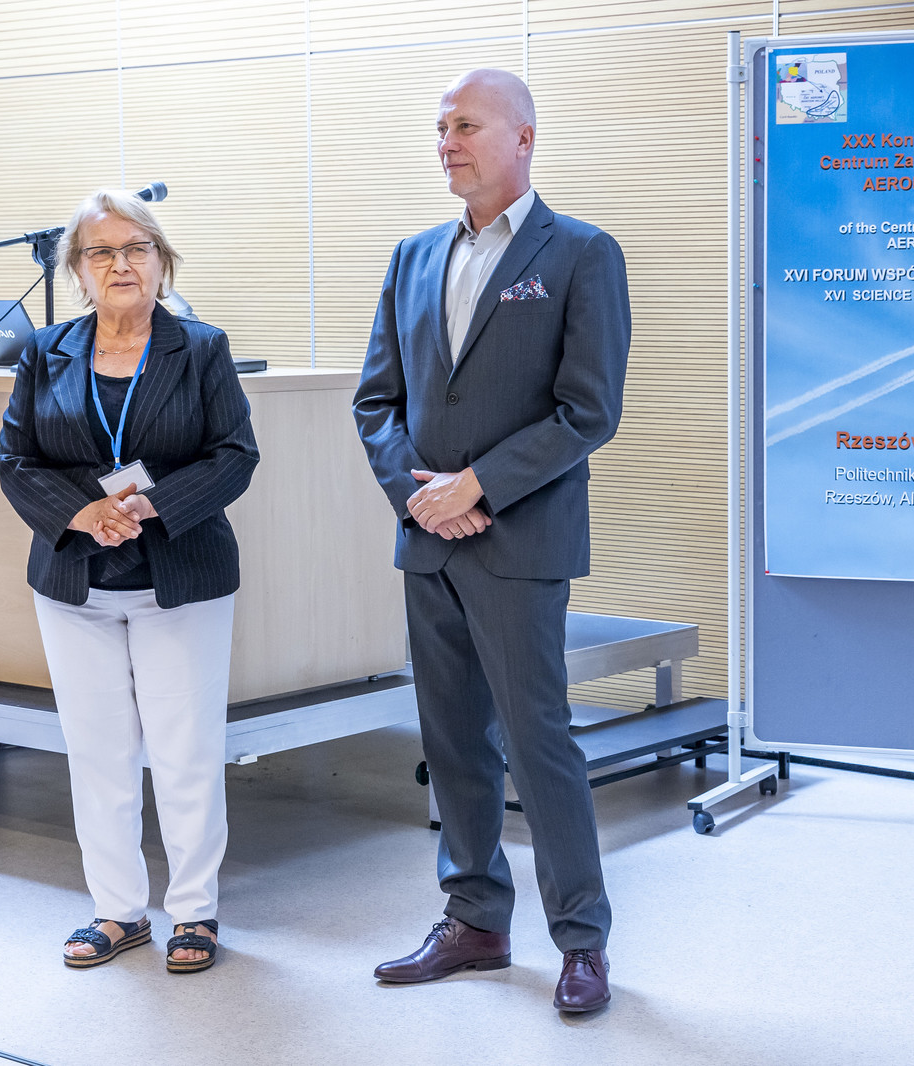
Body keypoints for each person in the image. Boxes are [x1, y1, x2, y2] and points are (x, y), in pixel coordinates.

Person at [353, 68, 630, 1013]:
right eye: (440, 129)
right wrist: (420, 496)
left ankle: (582, 940)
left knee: (536, 741)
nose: (447, 143)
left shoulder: (581, 253)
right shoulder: (411, 257)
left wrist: (477, 486)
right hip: (429, 540)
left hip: (521, 539)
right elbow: (376, 402)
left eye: (466, 125)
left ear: (523, 137)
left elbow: (588, 411)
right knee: (451, 741)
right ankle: (473, 919)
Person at [0, 188, 258, 974]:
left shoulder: (201, 348)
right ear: (77, 270)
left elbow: (235, 455)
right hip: (76, 580)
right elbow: (15, 460)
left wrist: (153, 505)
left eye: (137, 248)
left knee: (185, 753)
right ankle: (117, 911)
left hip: (180, 575)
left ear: (161, 261)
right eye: (101, 251)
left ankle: (194, 912)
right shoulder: (45, 352)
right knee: (98, 753)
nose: (121, 264)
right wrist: (82, 514)